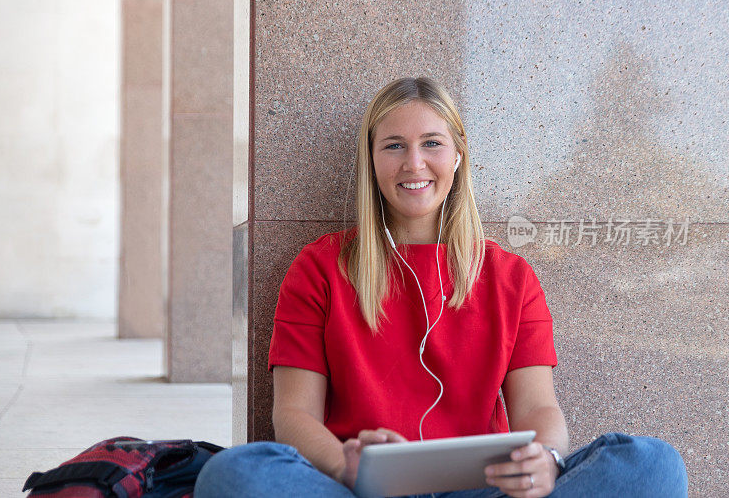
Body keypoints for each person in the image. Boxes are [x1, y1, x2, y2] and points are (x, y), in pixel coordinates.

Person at [195, 77, 688, 497]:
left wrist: (548, 460)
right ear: (371, 160)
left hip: (483, 486)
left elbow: (538, 406)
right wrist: (348, 465)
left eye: (431, 143)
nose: (414, 163)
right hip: (358, 489)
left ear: (457, 156)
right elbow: (294, 416)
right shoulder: (319, 267)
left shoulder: (510, 276)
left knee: (651, 464)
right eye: (394, 145)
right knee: (235, 474)